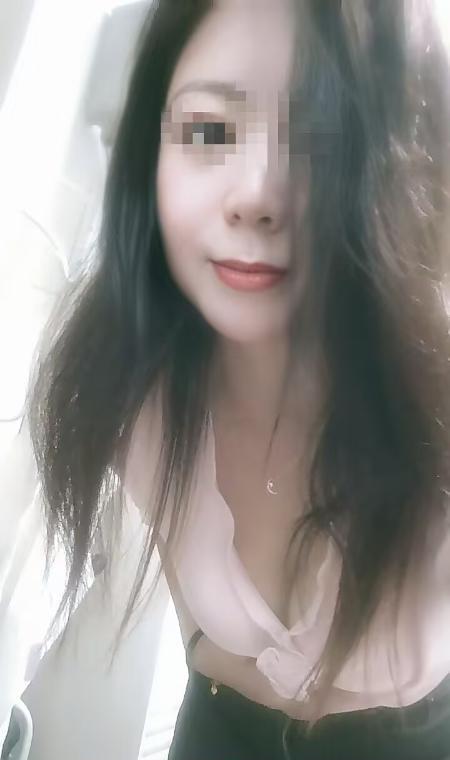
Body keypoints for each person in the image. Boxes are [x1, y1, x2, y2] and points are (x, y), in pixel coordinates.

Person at [24, 0, 450, 757]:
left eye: (319, 139)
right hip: (218, 728)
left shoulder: (433, 389)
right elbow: (200, 625)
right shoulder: (129, 387)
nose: (253, 196)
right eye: (209, 131)